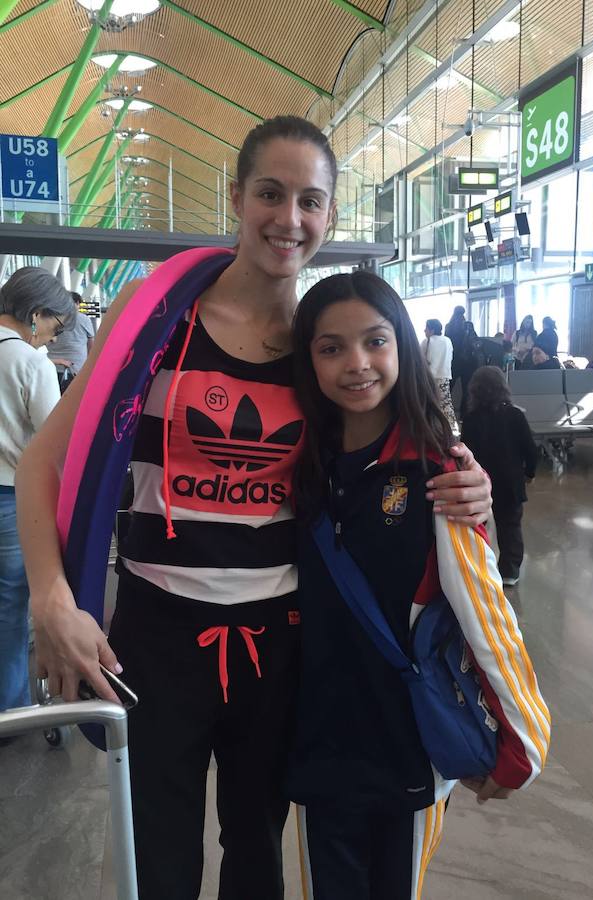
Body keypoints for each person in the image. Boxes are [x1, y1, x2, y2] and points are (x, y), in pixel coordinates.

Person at [15, 116, 493, 900]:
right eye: (270, 194)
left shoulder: (320, 348)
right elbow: (45, 460)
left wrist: (464, 476)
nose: (288, 218)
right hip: (154, 635)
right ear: (236, 198)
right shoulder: (153, 321)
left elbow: (395, 449)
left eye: (310, 200)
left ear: (329, 216)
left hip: (280, 641)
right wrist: (51, 598)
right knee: (158, 851)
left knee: (258, 850)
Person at [287, 272, 550, 898]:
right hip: (315, 739)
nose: (357, 364)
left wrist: (521, 747)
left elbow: (487, 616)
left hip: (404, 744)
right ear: (310, 360)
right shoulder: (303, 464)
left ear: (403, 346)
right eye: (331, 348)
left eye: (375, 341)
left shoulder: (439, 471)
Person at [0, 267, 75, 713]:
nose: (50, 338)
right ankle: (10, 711)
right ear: (35, 314)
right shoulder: (29, 363)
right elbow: (55, 443)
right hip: (11, 501)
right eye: (53, 327)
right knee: (9, 610)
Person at [461, 366, 538, 586]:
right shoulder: (515, 415)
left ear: (474, 391)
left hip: (480, 482)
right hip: (510, 481)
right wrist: (529, 472)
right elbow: (530, 449)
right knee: (510, 526)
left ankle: (480, 566)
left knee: (479, 524)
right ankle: (509, 571)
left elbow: (466, 453)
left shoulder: (471, 418)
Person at [47, 291, 95, 391]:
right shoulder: (84, 319)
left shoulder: (51, 318)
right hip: (76, 369)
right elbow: (91, 345)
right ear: (76, 303)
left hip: (51, 365)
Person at [420, 318, 457, 431]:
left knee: (427, 402)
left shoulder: (427, 341)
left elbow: (420, 359)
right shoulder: (447, 340)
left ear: (432, 330)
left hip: (429, 377)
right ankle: (452, 429)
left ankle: (429, 426)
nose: (424, 330)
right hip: (444, 376)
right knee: (446, 404)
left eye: (426, 328)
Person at [444, 304, 466, 381]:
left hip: (452, 358)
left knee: (451, 384)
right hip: (464, 359)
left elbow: (446, 342)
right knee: (465, 386)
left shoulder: (448, 326)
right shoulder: (466, 326)